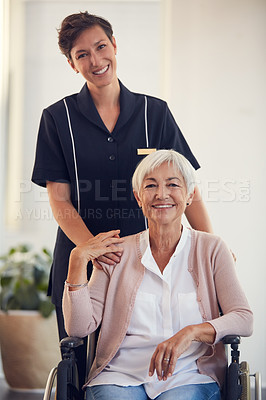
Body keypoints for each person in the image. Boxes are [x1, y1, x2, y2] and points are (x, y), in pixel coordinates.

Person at [31, 11, 213, 393]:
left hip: (148, 259)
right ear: (71, 63)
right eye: (83, 55)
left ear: (114, 46)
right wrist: (90, 249)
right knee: (79, 367)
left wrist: (211, 246)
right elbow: (59, 199)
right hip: (80, 260)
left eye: (101, 47)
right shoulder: (56, 118)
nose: (96, 61)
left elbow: (185, 185)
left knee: (145, 358)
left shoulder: (155, 113)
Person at [63, 149, 253, 400]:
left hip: (189, 375)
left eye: (172, 184)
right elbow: (78, 328)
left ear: (189, 195)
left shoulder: (211, 248)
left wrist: (191, 333)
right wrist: (77, 260)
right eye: (150, 185)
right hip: (119, 376)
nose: (161, 194)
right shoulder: (116, 253)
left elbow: (243, 318)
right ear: (138, 197)